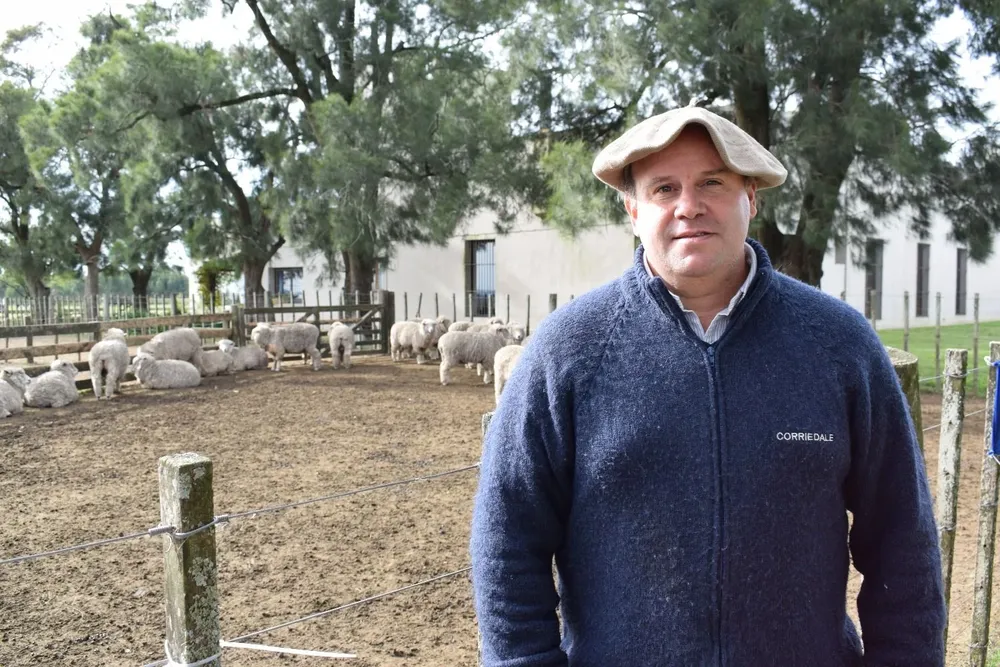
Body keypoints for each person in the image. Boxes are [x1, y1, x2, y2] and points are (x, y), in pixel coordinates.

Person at [469, 104, 944, 666]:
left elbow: (903, 544)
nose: (688, 206)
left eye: (712, 183)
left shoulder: (839, 345)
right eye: (664, 188)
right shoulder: (568, 352)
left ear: (751, 197)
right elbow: (507, 546)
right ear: (632, 208)